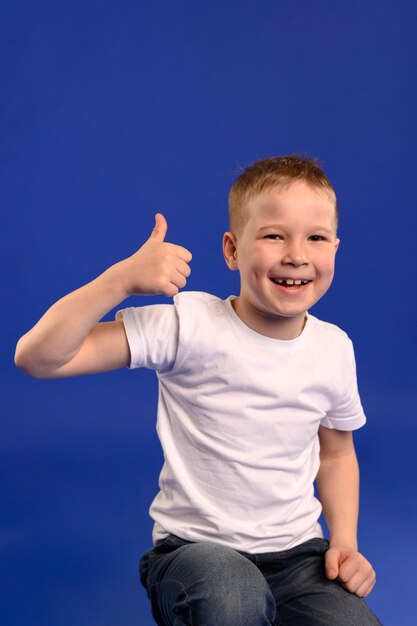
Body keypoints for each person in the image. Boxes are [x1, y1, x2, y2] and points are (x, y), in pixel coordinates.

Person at [15, 155, 382, 625]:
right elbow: (38, 357)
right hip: (195, 553)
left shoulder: (333, 348)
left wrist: (344, 543)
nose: (297, 254)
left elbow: (335, 454)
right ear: (232, 250)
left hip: (298, 557)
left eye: (316, 237)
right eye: (274, 235)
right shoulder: (189, 326)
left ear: (334, 247)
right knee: (233, 596)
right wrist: (120, 281)